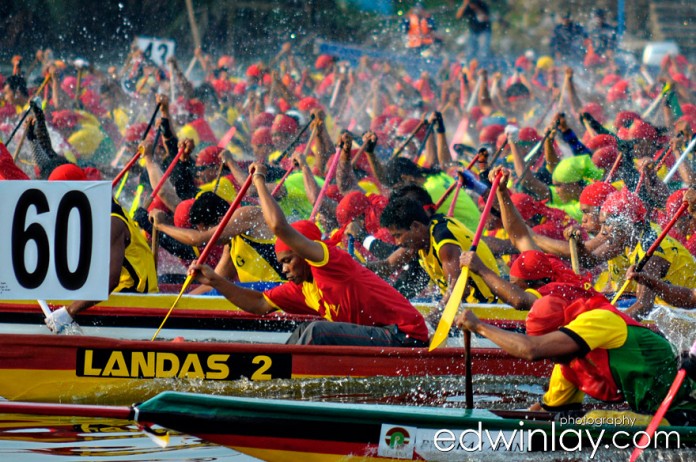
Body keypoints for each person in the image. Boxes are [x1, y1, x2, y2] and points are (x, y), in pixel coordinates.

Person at [189, 162, 429, 347]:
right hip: (384, 338)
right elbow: (259, 304)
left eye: (288, 261)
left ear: (305, 253)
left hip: (406, 336)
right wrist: (215, 281)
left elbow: (279, 227)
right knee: (305, 329)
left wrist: (259, 180)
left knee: (316, 331)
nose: (283, 269)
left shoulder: (328, 261)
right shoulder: (301, 288)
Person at [455, 295, 696, 420]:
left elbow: (531, 350)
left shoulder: (599, 321)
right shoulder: (566, 364)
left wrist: (479, 327)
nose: (551, 358)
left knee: (596, 421)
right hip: (653, 416)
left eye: (552, 344)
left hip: (685, 407)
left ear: (563, 329)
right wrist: (495, 425)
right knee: (572, 419)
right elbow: (546, 412)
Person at [45, 170, 159, 333]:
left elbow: (110, 281)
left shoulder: (111, 222)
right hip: (123, 289)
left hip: (134, 296)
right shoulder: (99, 201)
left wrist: (68, 312)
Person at [380, 196, 500, 305]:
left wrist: (434, 316)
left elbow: (461, 290)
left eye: (398, 235)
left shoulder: (444, 242)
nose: (398, 242)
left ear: (416, 226)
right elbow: (388, 265)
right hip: (467, 307)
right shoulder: (422, 235)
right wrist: (361, 270)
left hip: (488, 306)